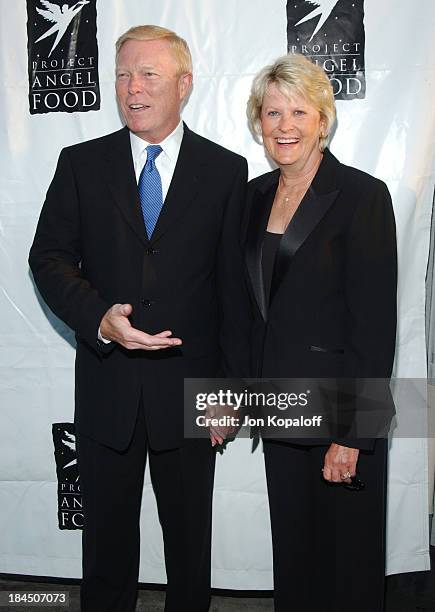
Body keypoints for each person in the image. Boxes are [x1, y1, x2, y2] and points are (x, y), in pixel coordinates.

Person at [29, 25, 250, 612]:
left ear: (184, 84)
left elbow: (235, 291)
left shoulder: (227, 172)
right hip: (108, 390)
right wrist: (100, 318)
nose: (133, 88)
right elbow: (47, 257)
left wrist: (227, 392)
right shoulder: (81, 163)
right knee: (105, 554)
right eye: (123, 74)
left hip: (190, 394)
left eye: (149, 74)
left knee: (188, 554)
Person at [244, 53, 397, 612]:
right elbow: (246, 308)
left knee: (347, 571)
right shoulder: (252, 197)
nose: (285, 125)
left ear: (322, 121)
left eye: (298, 112)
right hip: (279, 408)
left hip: (339, 415)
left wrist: (353, 434)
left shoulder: (361, 197)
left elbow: (375, 326)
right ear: (258, 121)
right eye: (272, 112)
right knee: (296, 564)